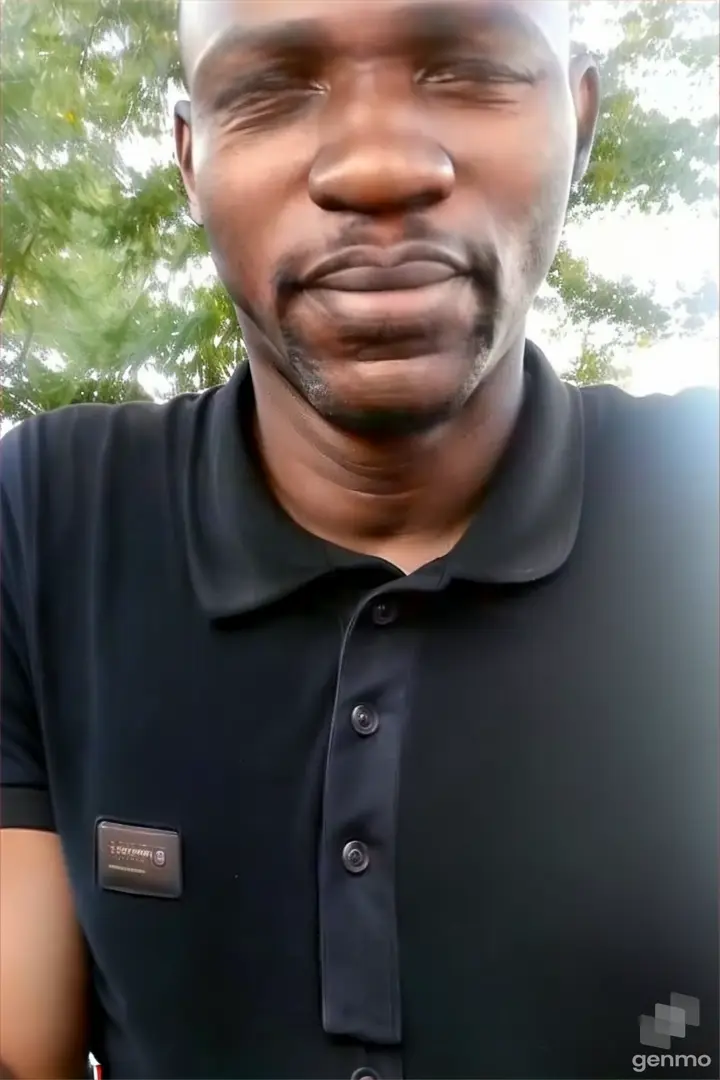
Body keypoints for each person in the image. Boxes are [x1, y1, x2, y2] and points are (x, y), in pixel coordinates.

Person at [1, 0, 717, 1077]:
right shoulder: (48, 518)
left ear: (578, 121)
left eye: (468, 70)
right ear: (190, 160)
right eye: (273, 89)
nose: (378, 167)